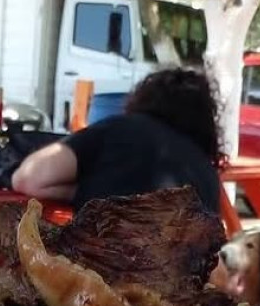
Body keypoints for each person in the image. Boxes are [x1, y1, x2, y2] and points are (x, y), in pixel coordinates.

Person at [11, 66, 224, 216]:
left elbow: (28, 178)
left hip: (99, 274)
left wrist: (83, 190)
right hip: (179, 278)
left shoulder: (119, 130)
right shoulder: (208, 176)